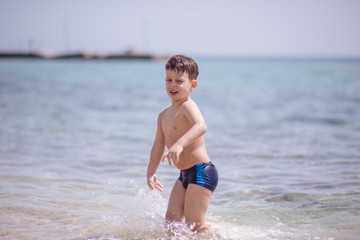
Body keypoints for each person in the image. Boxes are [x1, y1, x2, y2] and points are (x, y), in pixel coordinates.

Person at [146, 55, 218, 232]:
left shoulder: (188, 106)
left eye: (179, 81)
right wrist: (150, 173)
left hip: (202, 171)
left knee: (195, 226)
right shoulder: (163, 115)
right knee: (171, 224)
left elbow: (201, 126)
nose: (173, 85)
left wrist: (179, 144)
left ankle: (230, 234)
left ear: (192, 85)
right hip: (184, 175)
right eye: (169, 80)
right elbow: (157, 146)